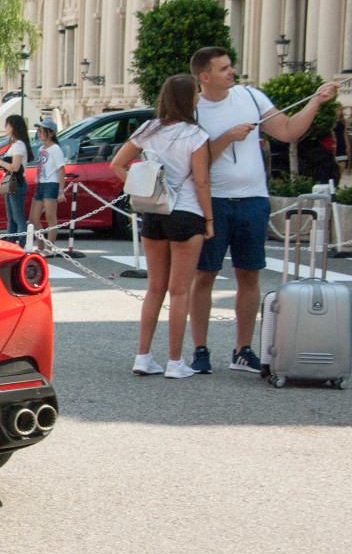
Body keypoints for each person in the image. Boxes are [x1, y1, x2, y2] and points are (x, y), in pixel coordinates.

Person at [187, 46, 341, 375]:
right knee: (204, 276)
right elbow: (192, 164)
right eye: (224, 68)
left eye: (231, 66)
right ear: (205, 76)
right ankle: (200, 349)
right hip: (211, 201)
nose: (232, 72)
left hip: (254, 200)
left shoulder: (251, 97)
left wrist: (316, 100)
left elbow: (287, 131)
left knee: (249, 274)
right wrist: (226, 138)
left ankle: (243, 349)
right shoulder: (194, 109)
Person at [110, 74, 214, 379]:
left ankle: (143, 357)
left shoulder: (148, 129)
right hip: (187, 213)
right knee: (179, 291)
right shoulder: (195, 134)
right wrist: (209, 220)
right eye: (195, 93)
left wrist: (143, 187)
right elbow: (202, 181)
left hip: (153, 211)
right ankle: (175, 361)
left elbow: (116, 164)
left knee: (154, 288)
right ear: (186, 99)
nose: (198, 98)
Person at [29, 119, 68, 254]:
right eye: (39, 131)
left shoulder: (55, 149)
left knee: (50, 217)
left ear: (51, 133)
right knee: (33, 218)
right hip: (41, 183)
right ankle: (40, 246)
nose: (39, 134)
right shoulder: (41, 149)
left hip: (51, 184)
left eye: (42, 131)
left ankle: (49, 248)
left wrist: (60, 191)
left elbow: (61, 170)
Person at [0, 115, 31, 239]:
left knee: (18, 217)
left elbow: (15, 167)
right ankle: (11, 243)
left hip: (17, 183)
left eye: (7, 125)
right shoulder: (14, 145)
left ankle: (22, 243)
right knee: (12, 218)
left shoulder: (19, 145)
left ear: (13, 127)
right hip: (11, 183)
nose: (5, 128)